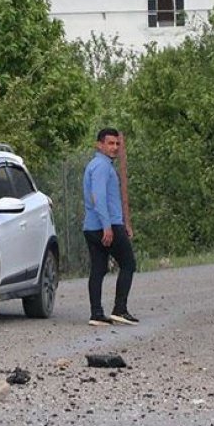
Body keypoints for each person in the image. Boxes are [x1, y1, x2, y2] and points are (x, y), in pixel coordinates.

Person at [83, 128, 138, 326]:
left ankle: (96, 314)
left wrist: (125, 222)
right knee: (128, 263)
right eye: (110, 143)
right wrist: (108, 226)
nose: (114, 147)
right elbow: (98, 197)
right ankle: (120, 309)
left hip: (92, 226)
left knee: (98, 268)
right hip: (107, 226)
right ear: (99, 145)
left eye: (117, 144)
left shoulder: (96, 165)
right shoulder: (102, 166)